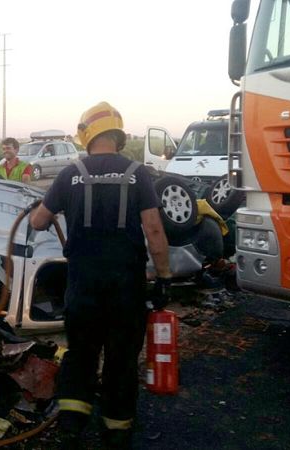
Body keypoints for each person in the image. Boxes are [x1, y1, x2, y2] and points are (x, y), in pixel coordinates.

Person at [29, 102, 172, 448]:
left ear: (86, 134)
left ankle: (71, 424)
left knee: (81, 353)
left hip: (83, 287)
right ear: (118, 135)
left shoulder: (69, 174)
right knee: (121, 359)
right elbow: (154, 230)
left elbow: (38, 221)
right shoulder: (138, 173)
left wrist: (42, 209)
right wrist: (164, 277)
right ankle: (117, 429)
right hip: (126, 288)